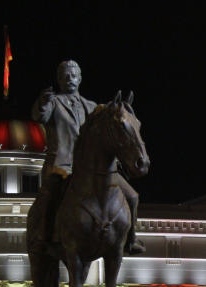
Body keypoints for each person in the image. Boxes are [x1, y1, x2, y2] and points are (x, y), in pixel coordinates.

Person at [29, 60, 144, 257]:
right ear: (59, 79)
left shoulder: (92, 107)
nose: (70, 79)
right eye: (65, 75)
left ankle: (130, 240)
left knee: (132, 196)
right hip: (63, 166)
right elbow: (40, 115)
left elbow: (110, 125)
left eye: (74, 75)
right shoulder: (54, 103)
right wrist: (43, 102)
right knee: (51, 194)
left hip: (92, 167)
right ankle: (44, 236)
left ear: (80, 78)